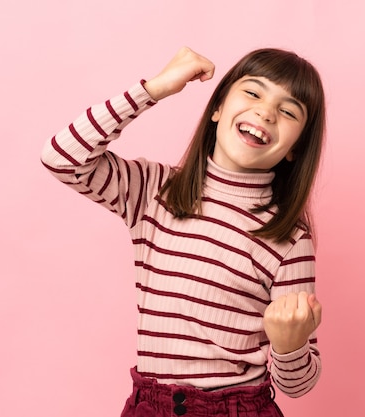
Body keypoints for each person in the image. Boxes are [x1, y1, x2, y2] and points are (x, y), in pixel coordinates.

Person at [41, 46, 326, 417]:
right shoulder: (153, 191)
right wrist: (154, 88)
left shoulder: (288, 239)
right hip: (150, 405)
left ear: (295, 149)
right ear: (218, 109)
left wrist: (291, 346)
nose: (266, 112)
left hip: (237, 408)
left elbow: (298, 385)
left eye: (288, 111)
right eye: (253, 92)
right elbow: (62, 158)